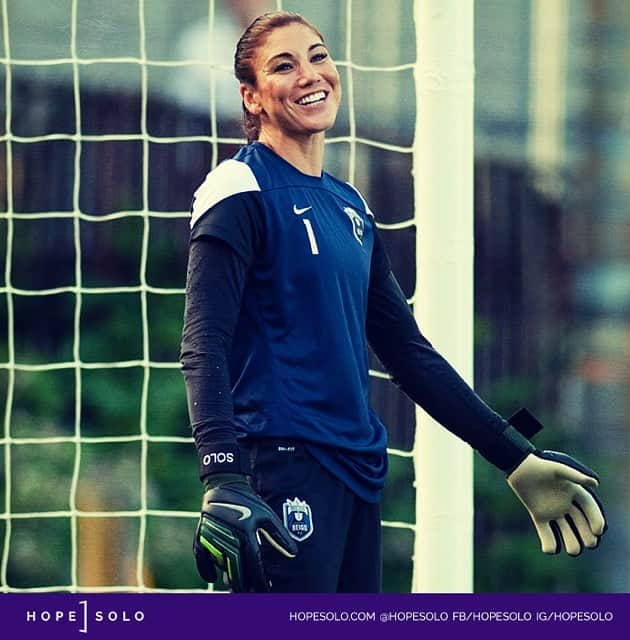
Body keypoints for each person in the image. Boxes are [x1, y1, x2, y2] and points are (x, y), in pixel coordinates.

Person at [180, 11, 607, 593]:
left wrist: (513, 455)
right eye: (284, 65)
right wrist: (222, 476)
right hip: (280, 470)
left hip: (358, 476)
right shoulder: (238, 189)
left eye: (318, 55)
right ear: (252, 98)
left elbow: (408, 353)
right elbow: (204, 346)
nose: (311, 74)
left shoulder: (350, 206)